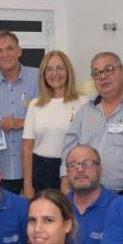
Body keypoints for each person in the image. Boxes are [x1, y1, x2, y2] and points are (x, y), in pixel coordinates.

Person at [60, 52, 123, 195]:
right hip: (87, 196)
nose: (103, 76)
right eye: (96, 73)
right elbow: (69, 149)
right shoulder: (85, 111)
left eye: (109, 70)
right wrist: (65, 180)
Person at [0, 31, 39, 195]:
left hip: (35, 167)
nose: (5, 54)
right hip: (1, 169)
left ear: (19, 51)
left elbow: (50, 118)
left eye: (9, 48)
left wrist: (21, 122)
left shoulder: (38, 77)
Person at [22, 51, 88, 197]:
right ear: (43, 74)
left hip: (73, 169)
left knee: (71, 210)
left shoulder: (83, 102)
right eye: (49, 69)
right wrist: (27, 185)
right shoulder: (35, 105)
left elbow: (88, 142)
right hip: (40, 171)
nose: (55, 73)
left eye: (60, 68)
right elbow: (27, 147)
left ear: (68, 71)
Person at [63, 145, 116, 244]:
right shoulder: (58, 207)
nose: (80, 169)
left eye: (86, 164)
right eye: (73, 165)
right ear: (67, 173)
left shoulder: (119, 207)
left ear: (100, 170)